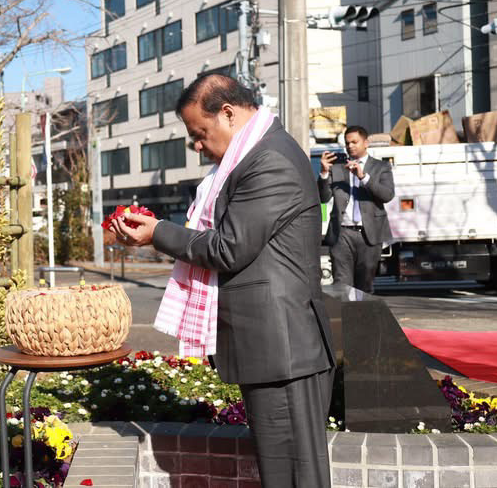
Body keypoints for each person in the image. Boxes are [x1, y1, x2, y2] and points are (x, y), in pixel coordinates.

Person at [111, 74, 334, 487]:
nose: (197, 145)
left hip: (283, 348)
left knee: (293, 473)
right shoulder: (254, 155)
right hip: (274, 347)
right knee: (283, 471)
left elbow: (230, 248)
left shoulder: (269, 160)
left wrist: (158, 232)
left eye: (199, 132)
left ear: (228, 114)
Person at [318, 125, 395, 293]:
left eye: (354, 142)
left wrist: (363, 177)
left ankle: (363, 319)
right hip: (341, 234)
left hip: (369, 234)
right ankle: (345, 319)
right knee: (342, 285)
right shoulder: (337, 167)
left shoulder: (380, 167)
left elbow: (387, 195)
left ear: (366, 143)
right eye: (347, 143)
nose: (350, 146)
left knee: (364, 286)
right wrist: (324, 173)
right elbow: (323, 197)